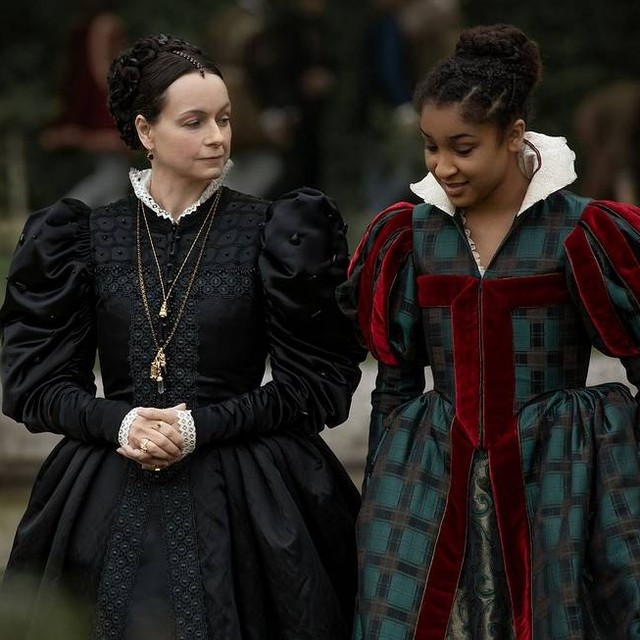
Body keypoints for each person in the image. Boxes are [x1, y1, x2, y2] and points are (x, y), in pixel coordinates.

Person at [0, 33, 365, 639]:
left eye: (225, 119)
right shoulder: (83, 238)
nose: (218, 137)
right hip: (105, 481)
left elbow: (315, 385)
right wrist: (118, 422)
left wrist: (202, 426)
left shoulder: (277, 232)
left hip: (250, 487)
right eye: (194, 122)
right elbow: (37, 384)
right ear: (146, 131)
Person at [338, 23, 640, 639]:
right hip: (433, 469)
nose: (443, 166)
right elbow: (394, 380)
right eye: (431, 147)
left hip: (559, 471)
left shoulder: (579, 231)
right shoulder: (412, 236)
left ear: (514, 136)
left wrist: (619, 464)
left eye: (463, 147)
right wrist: (383, 488)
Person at [39, 0, 130, 208]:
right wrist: (122, 98)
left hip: (94, 109)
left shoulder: (81, 26)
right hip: (104, 109)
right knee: (111, 176)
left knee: (113, 181)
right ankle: (61, 215)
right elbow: (101, 70)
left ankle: (107, 227)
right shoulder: (106, 24)